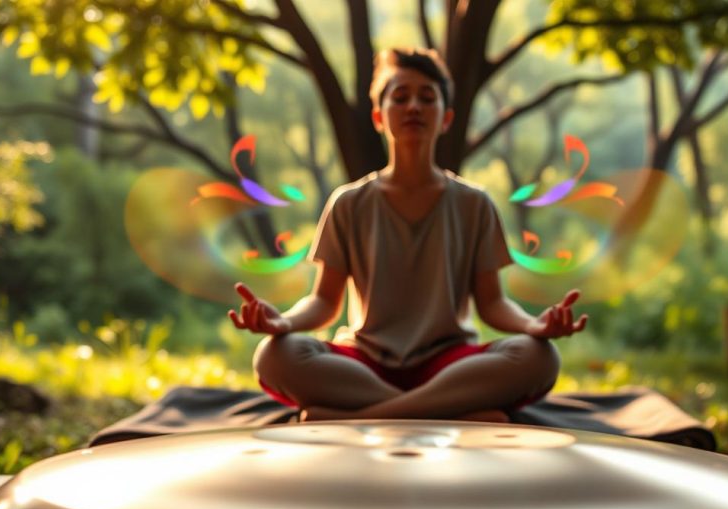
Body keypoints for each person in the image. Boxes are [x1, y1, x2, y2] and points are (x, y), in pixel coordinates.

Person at [228, 47, 587, 422]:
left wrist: (535, 325)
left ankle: (362, 416)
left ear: (446, 117)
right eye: (400, 97)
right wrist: (282, 322)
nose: (413, 106)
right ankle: (450, 412)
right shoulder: (348, 203)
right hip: (365, 363)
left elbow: (492, 304)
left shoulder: (474, 204)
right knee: (274, 355)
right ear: (378, 117)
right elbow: (324, 302)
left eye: (427, 98)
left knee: (539, 357)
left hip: (449, 364)